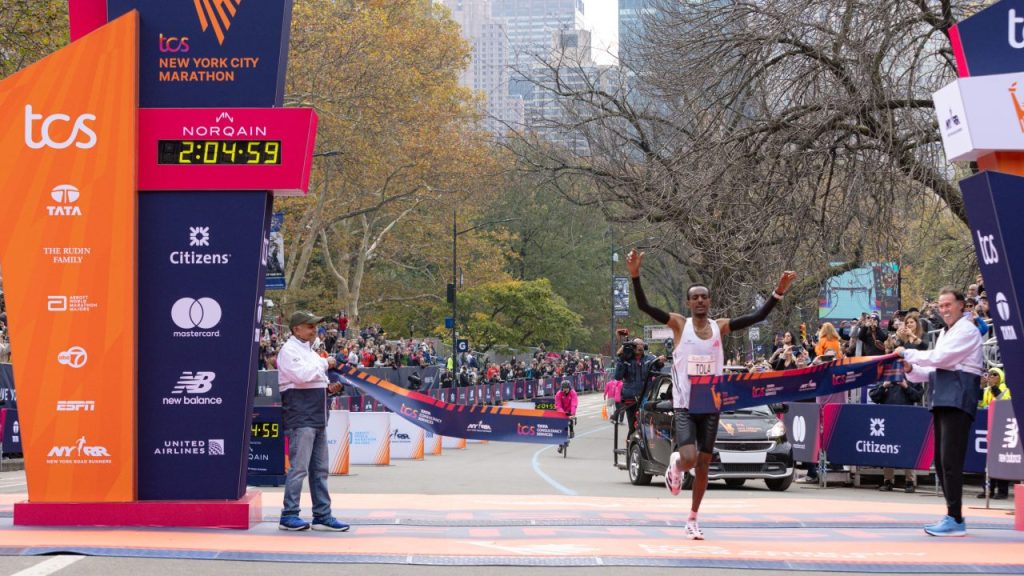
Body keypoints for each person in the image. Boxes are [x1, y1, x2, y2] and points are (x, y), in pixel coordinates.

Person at [627, 248, 795, 540]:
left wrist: (777, 293)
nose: (700, 301)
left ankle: (692, 518)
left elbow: (757, 316)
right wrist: (635, 275)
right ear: (689, 302)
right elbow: (645, 306)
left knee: (705, 464)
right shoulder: (680, 324)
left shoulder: (720, 327)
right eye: (695, 297)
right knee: (690, 458)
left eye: (705, 296)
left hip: (712, 403)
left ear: (710, 301)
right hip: (684, 404)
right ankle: (676, 464)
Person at [895, 288, 984, 537]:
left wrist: (909, 353)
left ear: (962, 305)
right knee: (943, 462)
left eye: (948, 305)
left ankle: (955, 518)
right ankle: (952, 515)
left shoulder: (967, 330)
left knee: (951, 462)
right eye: (941, 305)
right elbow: (933, 370)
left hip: (957, 398)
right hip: (943, 397)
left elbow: (942, 359)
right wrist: (911, 367)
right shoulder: (948, 332)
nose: (944, 309)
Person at [277, 311, 349, 532]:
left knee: (320, 469)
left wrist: (331, 389)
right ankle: (289, 515)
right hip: (301, 415)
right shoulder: (288, 351)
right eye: (309, 326)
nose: (314, 330)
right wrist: (326, 363)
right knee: (299, 469)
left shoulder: (310, 352)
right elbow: (302, 376)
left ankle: (322, 515)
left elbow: (314, 381)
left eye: (315, 326)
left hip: (317, 415)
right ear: (296, 328)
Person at [613, 336, 665, 439]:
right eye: (636, 345)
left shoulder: (649, 359)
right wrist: (622, 358)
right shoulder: (625, 359)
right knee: (633, 427)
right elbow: (618, 376)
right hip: (630, 399)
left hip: (646, 398)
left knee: (646, 426)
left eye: (641, 344)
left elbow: (658, 371)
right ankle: (631, 449)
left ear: (644, 346)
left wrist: (660, 363)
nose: (639, 347)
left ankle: (644, 447)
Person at [977, 367, 1011, 500]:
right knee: (988, 462)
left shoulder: (1006, 389)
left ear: (1000, 376)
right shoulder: (987, 390)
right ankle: (988, 489)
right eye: (989, 374)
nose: (991, 376)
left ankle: (1002, 491)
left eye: (994, 374)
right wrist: (981, 386)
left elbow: (1004, 402)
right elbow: (980, 405)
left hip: (1003, 427)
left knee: (1001, 460)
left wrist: (993, 387)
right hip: (989, 427)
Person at [554, 380, 578, 454]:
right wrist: (562, 414)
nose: (565, 389)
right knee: (560, 428)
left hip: (570, 410)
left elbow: (574, 403)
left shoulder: (573, 393)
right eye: (564, 388)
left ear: (569, 387)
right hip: (562, 410)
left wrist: (573, 413)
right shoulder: (558, 394)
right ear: (562, 388)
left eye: (567, 388)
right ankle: (560, 446)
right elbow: (558, 405)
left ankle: (571, 430)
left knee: (570, 420)